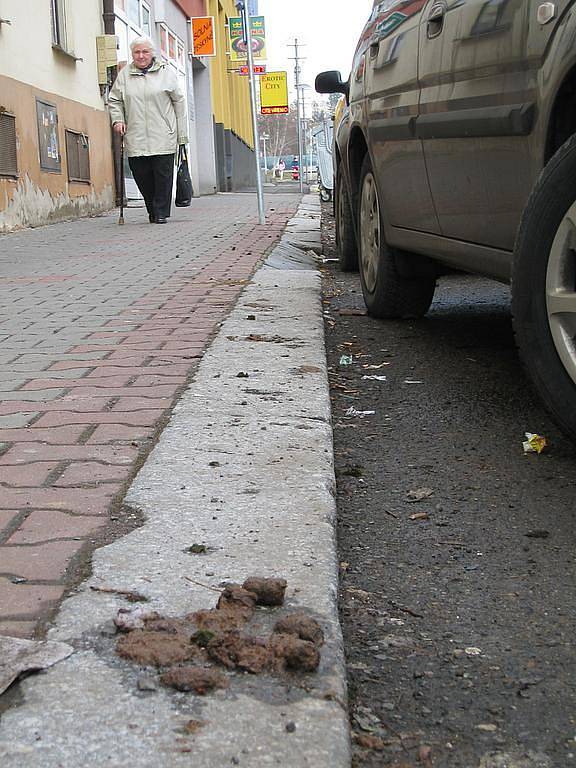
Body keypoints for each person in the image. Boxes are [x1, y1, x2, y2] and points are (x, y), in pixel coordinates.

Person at [109, 36, 188, 224]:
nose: (141, 56)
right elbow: (114, 100)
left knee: (163, 177)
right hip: (136, 135)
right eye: (137, 52)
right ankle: (152, 209)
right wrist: (118, 120)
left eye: (145, 52)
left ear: (152, 53)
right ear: (132, 54)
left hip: (163, 134)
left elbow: (179, 102)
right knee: (142, 175)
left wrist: (181, 134)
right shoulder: (125, 76)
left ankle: (161, 212)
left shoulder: (166, 73)